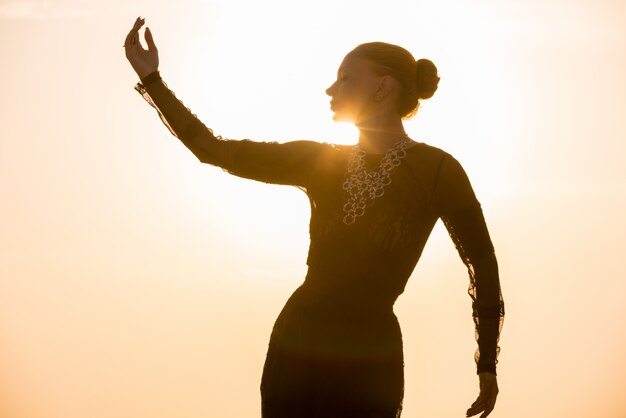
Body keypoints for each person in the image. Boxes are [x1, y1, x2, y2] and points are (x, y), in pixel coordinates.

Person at [124, 16, 505, 418]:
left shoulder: (439, 171)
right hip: (299, 343)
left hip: (371, 355)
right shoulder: (319, 161)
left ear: (382, 86)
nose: (330, 88)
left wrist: (487, 365)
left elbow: (481, 260)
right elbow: (215, 150)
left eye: (345, 78)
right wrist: (153, 80)